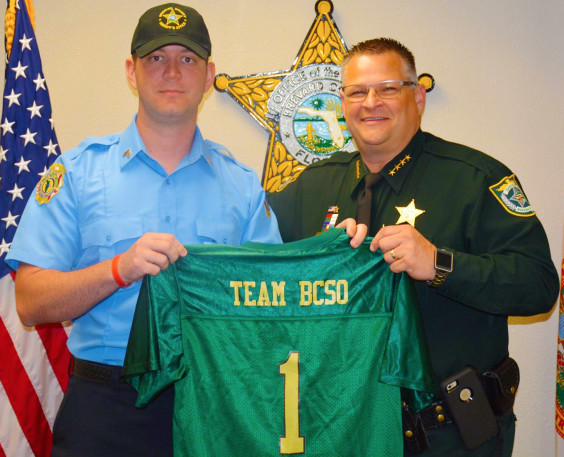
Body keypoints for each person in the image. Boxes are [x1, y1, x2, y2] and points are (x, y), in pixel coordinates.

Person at [6, 3, 281, 457]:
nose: (171, 71)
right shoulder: (76, 174)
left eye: (187, 59)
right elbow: (30, 302)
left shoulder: (243, 185)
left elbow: (270, 307)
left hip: (212, 404)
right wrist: (118, 269)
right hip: (105, 408)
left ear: (210, 74)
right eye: (155, 58)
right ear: (131, 72)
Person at [268, 38, 559, 456]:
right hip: (338, 431)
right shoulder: (310, 190)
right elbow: (250, 273)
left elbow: (539, 287)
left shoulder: (474, 179)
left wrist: (439, 264)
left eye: (388, 88)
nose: (371, 102)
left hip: (450, 436)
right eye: (357, 91)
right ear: (342, 102)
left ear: (417, 97)